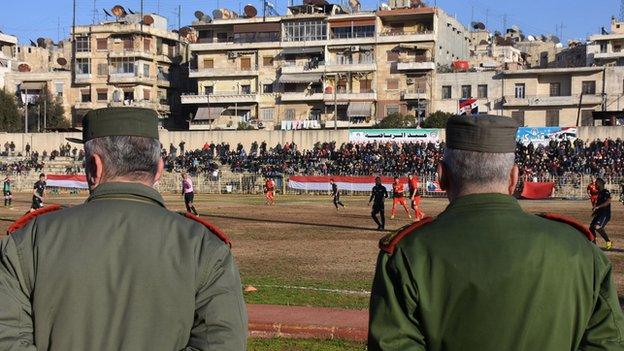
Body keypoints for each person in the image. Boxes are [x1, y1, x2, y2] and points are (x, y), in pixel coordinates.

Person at [368, 115, 624, 351]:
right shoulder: (579, 249)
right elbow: (607, 343)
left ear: (442, 175)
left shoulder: (407, 253)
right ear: (514, 178)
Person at [0, 107, 247, 350]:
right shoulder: (204, 247)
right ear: (159, 169)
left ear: (94, 167)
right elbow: (222, 342)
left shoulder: (29, 240)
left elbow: (7, 338)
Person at [591, 177, 613, 250]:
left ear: (599, 184)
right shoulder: (599, 193)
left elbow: (608, 202)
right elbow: (598, 204)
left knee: (597, 227)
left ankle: (608, 241)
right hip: (599, 213)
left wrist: (598, 207)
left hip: (605, 214)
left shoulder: (605, 192)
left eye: (596, 184)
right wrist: (595, 209)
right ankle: (594, 245)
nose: (595, 185)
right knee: (591, 228)